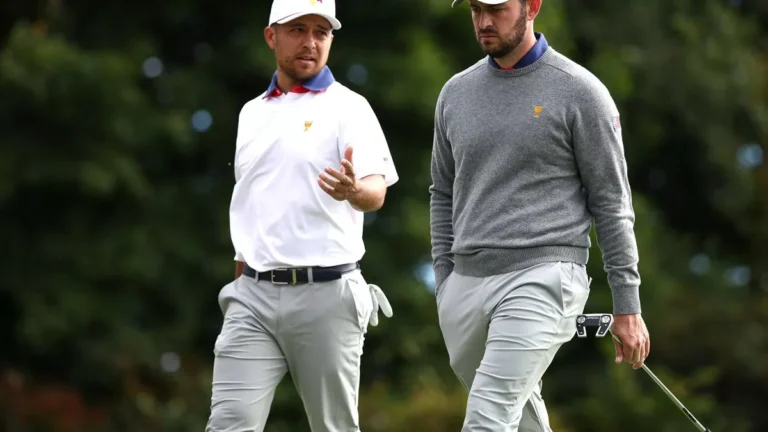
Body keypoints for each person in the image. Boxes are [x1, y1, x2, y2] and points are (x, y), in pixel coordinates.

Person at [429, 0, 651, 430]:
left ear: (532, 6)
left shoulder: (580, 92)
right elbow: (441, 191)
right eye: (475, 9)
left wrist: (628, 304)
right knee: (522, 416)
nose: (484, 21)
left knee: (487, 417)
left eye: (496, 8)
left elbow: (611, 203)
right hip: (465, 285)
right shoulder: (454, 93)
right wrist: (444, 280)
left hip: (545, 277)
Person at [205, 0, 398, 430]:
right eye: (297, 30)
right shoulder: (251, 113)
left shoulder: (350, 107)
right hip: (252, 295)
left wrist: (353, 191)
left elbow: (376, 191)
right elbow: (253, 205)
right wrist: (241, 277)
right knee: (229, 423)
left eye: (321, 32)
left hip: (327, 293)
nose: (310, 42)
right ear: (271, 36)